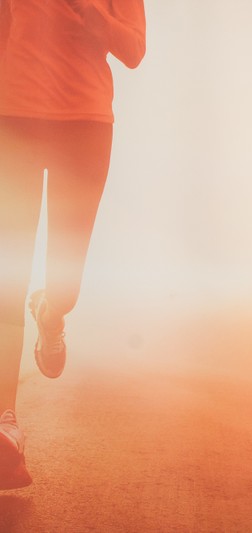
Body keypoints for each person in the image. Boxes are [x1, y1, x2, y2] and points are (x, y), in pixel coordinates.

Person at [0, 0, 146, 490]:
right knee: (7, 276)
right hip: (13, 117)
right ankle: (5, 423)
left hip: (84, 125)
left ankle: (51, 313)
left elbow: (134, 49)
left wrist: (91, 14)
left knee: (65, 286)